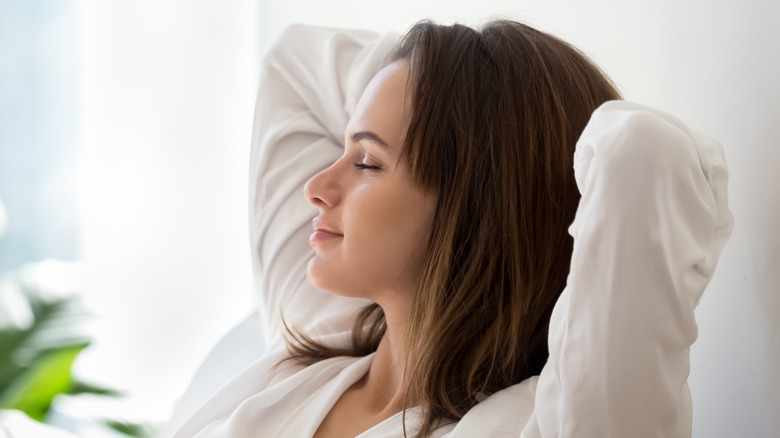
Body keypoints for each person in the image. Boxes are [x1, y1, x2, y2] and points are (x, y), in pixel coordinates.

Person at [170, 19, 733, 438]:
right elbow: (293, 62)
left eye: (367, 163)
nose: (316, 186)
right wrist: (445, 76)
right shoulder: (320, 343)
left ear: (474, 206)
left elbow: (641, 153)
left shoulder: (537, 423)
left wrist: (493, 118)